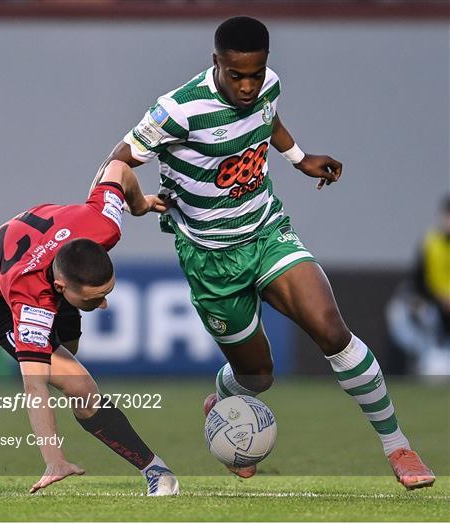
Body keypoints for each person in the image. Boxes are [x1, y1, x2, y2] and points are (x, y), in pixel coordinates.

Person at [91, 16, 435, 489]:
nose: (249, 85)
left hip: (266, 232)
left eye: (256, 73)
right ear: (217, 63)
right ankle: (221, 399)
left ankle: (398, 447)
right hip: (211, 259)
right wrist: (132, 205)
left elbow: (267, 117)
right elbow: (116, 162)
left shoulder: (268, 86)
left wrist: (299, 158)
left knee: (333, 332)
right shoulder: (177, 111)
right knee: (256, 377)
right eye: (237, 76)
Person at [0, 160, 179, 496]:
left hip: (42, 241)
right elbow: (35, 386)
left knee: (67, 350)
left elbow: (118, 167)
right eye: (94, 299)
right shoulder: (30, 301)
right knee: (81, 388)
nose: (104, 305)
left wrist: (140, 205)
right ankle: (156, 471)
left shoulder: (105, 225)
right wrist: (54, 459)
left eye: (106, 294)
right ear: (60, 288)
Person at [386, 195, 450, 375]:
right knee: (422, 316)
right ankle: (426, 359)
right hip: (435, 306)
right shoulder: (431, 242)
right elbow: (418, 280)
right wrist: (439, 298)